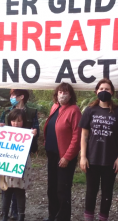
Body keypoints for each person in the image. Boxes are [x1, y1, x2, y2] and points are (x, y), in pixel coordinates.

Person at [79, 79, 118, 221]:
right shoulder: (89, 110)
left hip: (110, 159)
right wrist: (83, 156)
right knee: (91, 191)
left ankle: (103, 218)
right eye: (101, 89)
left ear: (112, 92)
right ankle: (88, 218)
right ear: (96, 91)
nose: (104, 91)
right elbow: (84, 135)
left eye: (107, 89)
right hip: (92, 158)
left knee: (107, 192)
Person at [0, 89, 39, 220]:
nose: (11, 98)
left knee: (19, 189)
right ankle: (5, 214)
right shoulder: (6, 112)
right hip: (6, 158)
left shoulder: (32, 112)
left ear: (21, 97)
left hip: (22, 157)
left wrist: (33, 135)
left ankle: (18, 213)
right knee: (6, 189)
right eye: (10, 95)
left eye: (13, 95)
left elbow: (34, 139)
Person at [43, 82, 82, 221]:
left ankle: (63, 218)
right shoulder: (54, 107)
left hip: (65, 157)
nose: (62, 94)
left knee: (62, 190)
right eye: (60, 92)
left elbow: (77, 136)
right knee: (51, 189)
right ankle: (52, 216)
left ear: (70, 95)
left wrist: (67, 157)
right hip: (52, 155)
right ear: (56, 94)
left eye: (65, 92)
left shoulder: (74, 110)